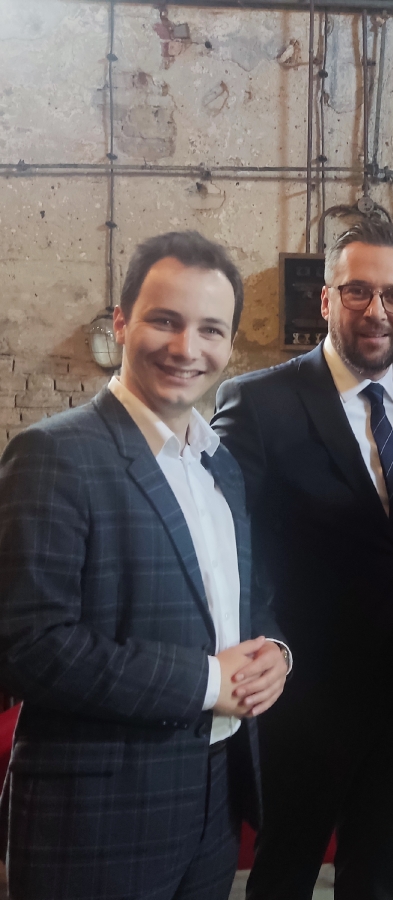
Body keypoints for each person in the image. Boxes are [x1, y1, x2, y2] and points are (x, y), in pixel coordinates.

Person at [0, 230, 289, 900]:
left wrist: (276, 652)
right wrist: (207, 681)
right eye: (165, 320)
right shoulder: (55, 455)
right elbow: (28, 647)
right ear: (122, 323)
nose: (187, 348)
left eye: (210, 329)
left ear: (230, 344)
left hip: (215, 800)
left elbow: (246, 602)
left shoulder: (220, 465)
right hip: (99, 813)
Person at [212, 217, 393, 900]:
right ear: (325, 299)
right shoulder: (260, 401)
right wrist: (264, 645)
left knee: (377, 865)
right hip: (302, 692)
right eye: (357, 291)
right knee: (286, 868)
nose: (377, 311)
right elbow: (227, 545)